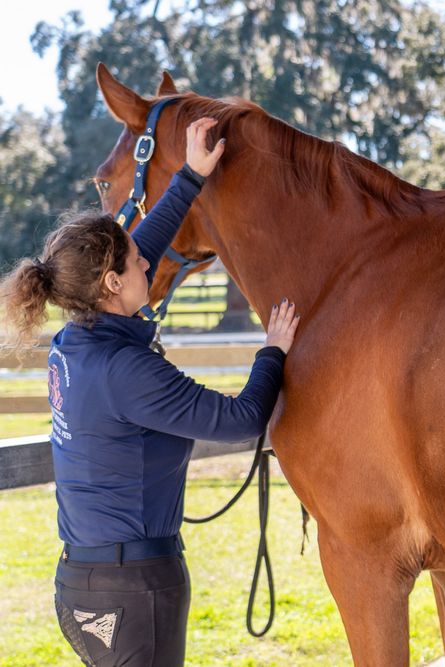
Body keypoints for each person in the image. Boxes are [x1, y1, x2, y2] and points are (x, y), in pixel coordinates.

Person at [0, 117, 299, 666]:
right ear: (112, 284)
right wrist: (273, 350)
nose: (149, 261)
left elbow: (139, 246)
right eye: (138, 264)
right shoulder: (125, 369)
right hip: (132, 592)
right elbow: (241, 419)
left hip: (86, 581)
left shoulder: (74, 340)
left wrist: (189, 175)